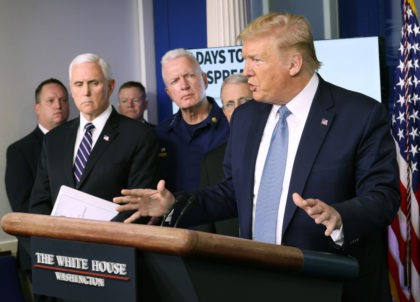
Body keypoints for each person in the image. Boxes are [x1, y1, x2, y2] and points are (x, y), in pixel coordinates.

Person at [114, 13, 400, 302]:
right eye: (245, 59)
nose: (246, 70)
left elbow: (382, 197)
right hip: (257, 282)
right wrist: (174, 204)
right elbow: (232, 191)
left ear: (294, 63)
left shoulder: (360, 115)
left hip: (331, 286)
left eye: (256, 60)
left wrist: (339, 217)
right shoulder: (246, 116)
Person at [29, 53, 159, 223]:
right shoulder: (54, 139)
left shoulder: (139, 136)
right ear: (72, 89)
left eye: (94, 83)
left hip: (114, 244)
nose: (86, 92)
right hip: (60, 245)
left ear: (110, 86)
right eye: (78, 84)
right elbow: (39, 203)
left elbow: (137, 206)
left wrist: (97, 242)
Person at [5, 78, 70, 301]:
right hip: (40, 254)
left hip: (82, 253)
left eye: (63, 100)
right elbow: (23, 209)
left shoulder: (82, 144)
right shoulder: (19, 151)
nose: (58, 106)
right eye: (51, 100)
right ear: (37, 108)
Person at [154, 48, 229, 193]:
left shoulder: (232, 125)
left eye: (189, 75)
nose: (184, 86)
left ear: (205, 80)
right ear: (169, 93)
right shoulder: (159, 135)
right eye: (175, 81)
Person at [199, 73, 252, 236]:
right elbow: (206, 224)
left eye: (244, 101)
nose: (237, 109)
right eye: (230, 104)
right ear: (224, 111)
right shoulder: (211, 161)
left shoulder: (279, 149)